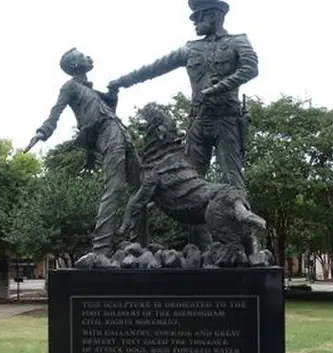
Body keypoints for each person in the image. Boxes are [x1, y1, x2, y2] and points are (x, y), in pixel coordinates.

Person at [108, 0, 259, 251]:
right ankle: (199, 248)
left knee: (233, 180)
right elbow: (155, 67)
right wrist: (122, 81)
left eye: (198, 16)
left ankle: (248, 243)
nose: (194, 21)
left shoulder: (238, 41)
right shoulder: (190, 50)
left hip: (227, 121)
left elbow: (250, 69)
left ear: (214, 15)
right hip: (198, 122)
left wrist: (218, 88)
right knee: (191, 185)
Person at [25, 48, 144, 255]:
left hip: (120, 132)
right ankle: (101, 246)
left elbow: (108, 110)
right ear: (73, 65)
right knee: (115, 187)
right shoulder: (69, 87)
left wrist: (113, 95)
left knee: (142, 186)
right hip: (107, 134)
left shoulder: (91, 90)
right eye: (82, 56)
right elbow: (56, 112)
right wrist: (43, 132)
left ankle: (140, 242)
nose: (88, 57)